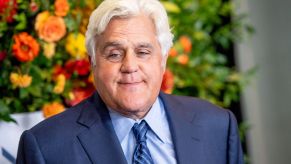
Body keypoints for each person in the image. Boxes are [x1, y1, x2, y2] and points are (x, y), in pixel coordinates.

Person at [16, 0, 244, 163]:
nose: (130, 66)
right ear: (93, 62)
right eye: (114, 54)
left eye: (143, 52)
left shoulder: (217, 126)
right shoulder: (46, 147)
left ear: (162, 59)